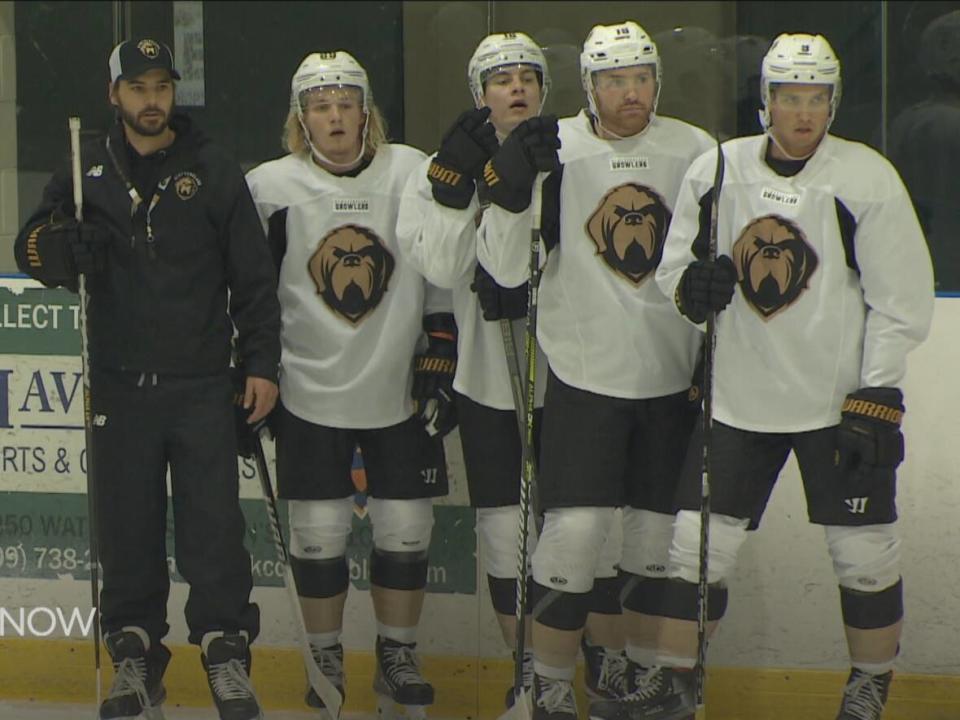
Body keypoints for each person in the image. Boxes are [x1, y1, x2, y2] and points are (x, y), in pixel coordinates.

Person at [651, 33, 934, 720]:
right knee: (694, 546)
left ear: (832, 104)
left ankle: (868, 687)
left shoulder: (864, 176)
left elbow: (903, 299)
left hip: (838, 402)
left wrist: (876, 389)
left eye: (815, 99)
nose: (803, 113)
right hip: (739, 399)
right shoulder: (717, 168)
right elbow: (671, 273)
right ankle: (676, 685)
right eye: (789, 98)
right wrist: (693, 293)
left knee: (863, 553)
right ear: (766, 103)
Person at [14, 38, 281, 720]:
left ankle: (225, 654)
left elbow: (252, 277)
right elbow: (33, 245)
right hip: (119, 384)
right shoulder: (84, 166)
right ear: (115, 95)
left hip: (201, 386)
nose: (152, 100)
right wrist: (59, 248)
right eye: (138, 88)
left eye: (162, 86)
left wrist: (260, 364)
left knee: (213, 530)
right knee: (127, 529)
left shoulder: (214, 167)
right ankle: (133, 654)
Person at [477, 21, 713, 720]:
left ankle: (642, 685)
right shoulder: (556, 150)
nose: (630, 92)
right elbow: (497, 264)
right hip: (583, 377)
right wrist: (512, 191)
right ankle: (546, 685)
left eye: (641, 78)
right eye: (614, 81)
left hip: (671, 380)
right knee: (573, 537)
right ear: (588, 86)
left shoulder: (694, 149)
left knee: (650, 542)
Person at [397, 31, 629, 708]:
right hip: (491, 378)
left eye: (528, 76)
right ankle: (529, 669)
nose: (517, 88)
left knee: (590, 532)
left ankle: (605, 662)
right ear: (480, 95)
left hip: (583, 376)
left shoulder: (578, 154)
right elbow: (439, 267)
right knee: (507, 536)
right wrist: (453, 187)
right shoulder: (444, 165)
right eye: (501, 80)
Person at [244, 51, 454, 718]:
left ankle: (397, 654)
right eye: (320, 105)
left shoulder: (411, 171)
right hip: (307, 386)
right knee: (319, 528)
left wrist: (442, 346)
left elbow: (439, 260)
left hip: (397, 383)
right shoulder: (269, 187)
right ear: (300, 118)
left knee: (405, 525)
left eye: (346, 103)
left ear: (367, 112)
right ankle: (325, 654)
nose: (334, 116)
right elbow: (248, 290)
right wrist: (251, 366)